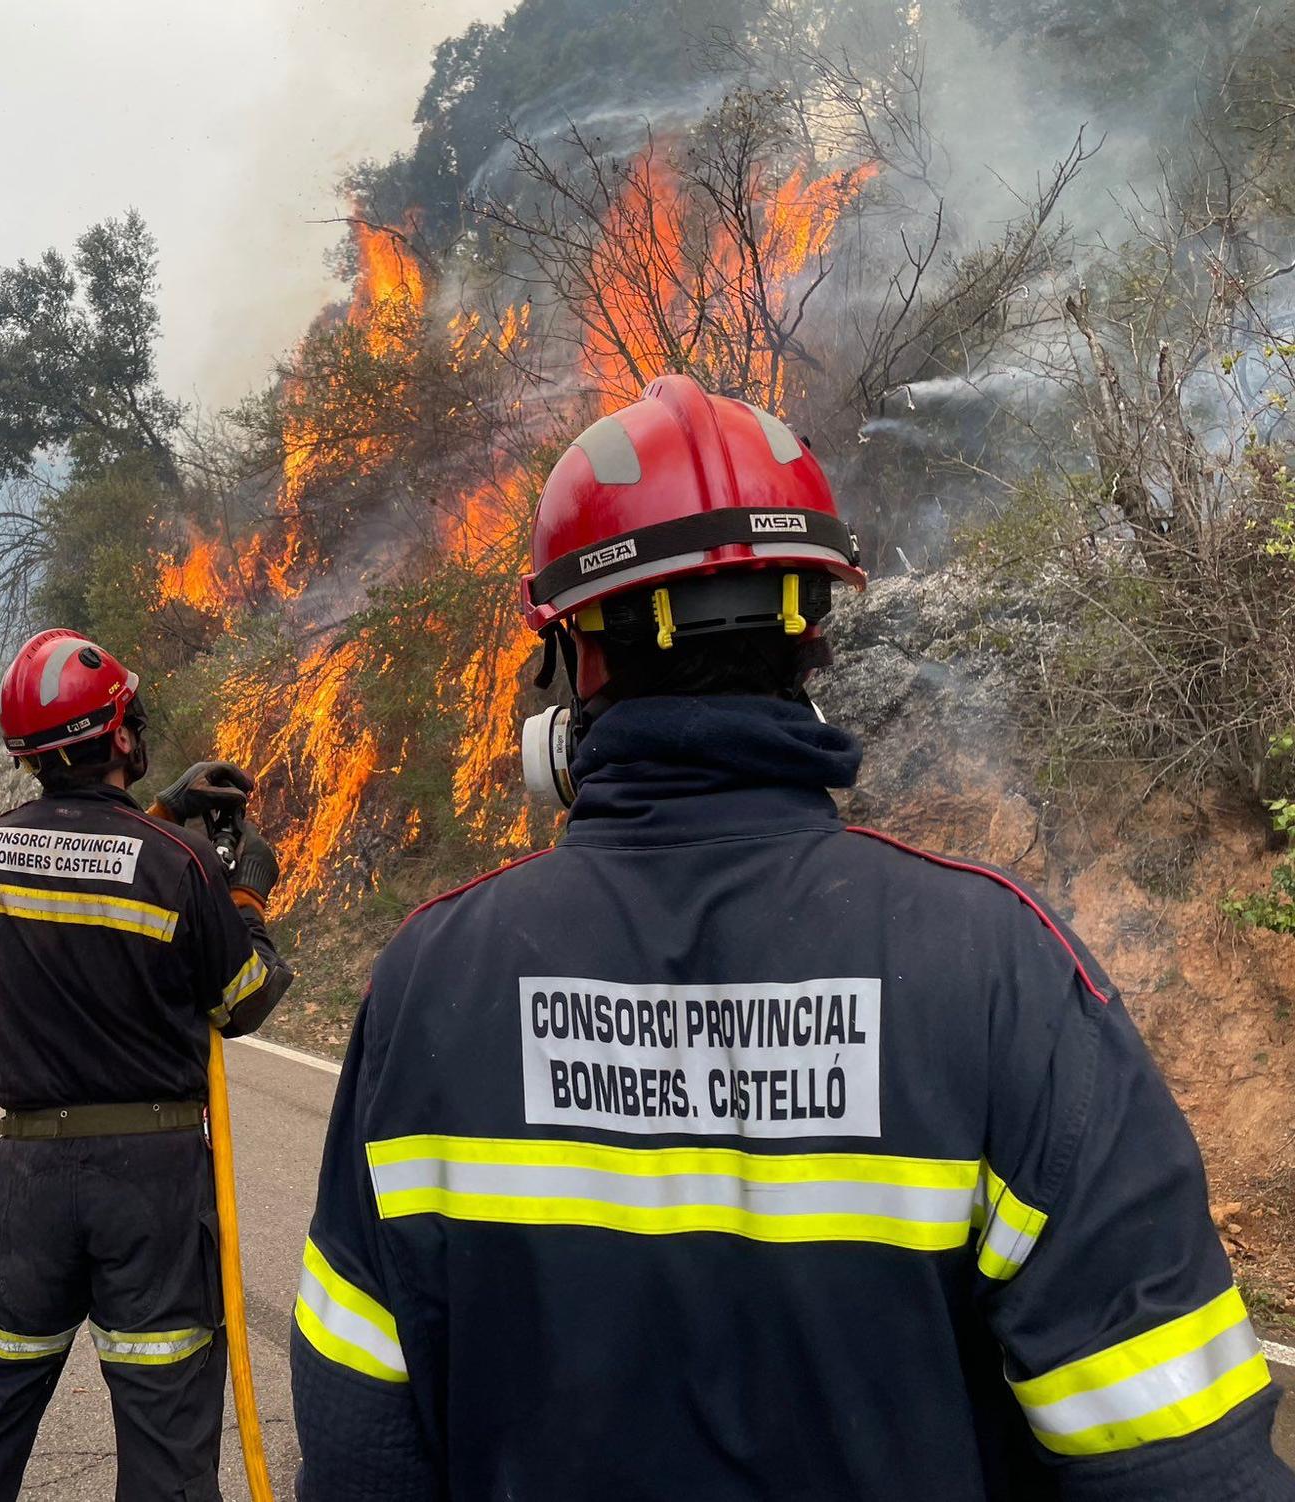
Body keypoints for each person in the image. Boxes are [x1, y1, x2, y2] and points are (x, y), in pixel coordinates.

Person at [289, 374, 1295, 1501]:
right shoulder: (1002, 969)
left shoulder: (430, 979)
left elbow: (357, 1446)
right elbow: (1178, 1461)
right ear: (812, 637)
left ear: (579, 658)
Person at [0, 629, 294, 1502]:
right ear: (120, 736)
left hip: (27, 1182)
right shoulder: (183, 869)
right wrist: (247, 893)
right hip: (149, 1189)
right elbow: (246, 1001)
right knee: (167, 1452)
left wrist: (160, 815)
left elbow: (84, 859)